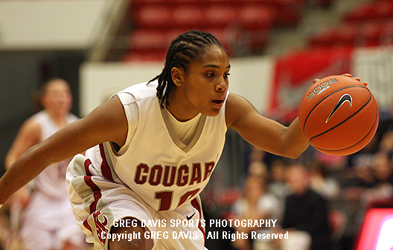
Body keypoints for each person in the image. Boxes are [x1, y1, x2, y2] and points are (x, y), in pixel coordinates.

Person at [0, 30, 360, 250]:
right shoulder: (128, 111)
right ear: (178, 76)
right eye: (209, 74)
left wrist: (313, 109)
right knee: (133, 237)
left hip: (176, 210)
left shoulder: (230, 109)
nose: (222, 84)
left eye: (225, 75)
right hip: (113, 187)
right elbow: (41, 153)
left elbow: (288, 144)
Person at [3, 78, 85, 250]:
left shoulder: (76, 124)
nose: (61, 99)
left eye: (65, 94)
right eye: (56, 94)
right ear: (44, 100)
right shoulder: (36, 125)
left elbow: (85, 161)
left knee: (72, 245)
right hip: (40, 197)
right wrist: (18, 188)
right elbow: (12, 157)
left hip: (67, 198)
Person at [278, 162, 332, 250]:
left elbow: (317, 225)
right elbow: (286, 222)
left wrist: (293, 230)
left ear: (306, 178)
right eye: (293, 180)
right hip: (294, 234)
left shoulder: (316, 198)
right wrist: (279, 230)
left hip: (315, 237)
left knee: (294, 241)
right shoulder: (289, 199)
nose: (296, 182)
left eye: (298, 179)